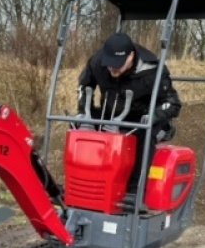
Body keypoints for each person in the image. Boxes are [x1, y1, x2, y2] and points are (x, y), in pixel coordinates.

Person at [76, 31, 182, 191]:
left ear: (131, 56)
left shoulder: (152, 70)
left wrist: (154, 116)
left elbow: (173, 103)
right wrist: (85, 112)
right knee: (78, 124)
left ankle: (135, 192)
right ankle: (86, 183)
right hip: (111, 115)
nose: (112, 68)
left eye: (118, 63)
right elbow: (84, 86)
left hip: (141, 118)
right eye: (110, 63)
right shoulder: (98, 62)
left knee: (146, 132)